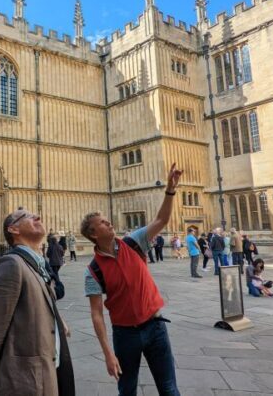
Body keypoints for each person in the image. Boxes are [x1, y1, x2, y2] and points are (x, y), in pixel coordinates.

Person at [82, 163, 182, 396]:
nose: (109, 223)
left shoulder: (133, 242)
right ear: (94, 234)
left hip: (156, 326)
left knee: (169, 389)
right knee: (127, 390)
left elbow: (161, 220)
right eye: (103, 223)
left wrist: (170, 190)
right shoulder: (93, 270)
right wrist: (107, 353)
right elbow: (96, 314)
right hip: (125, 335)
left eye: (108, 220)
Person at [0, 209, 75, 396]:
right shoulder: (11, 264)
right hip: (25, 382)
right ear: (13, 229)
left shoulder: (36, 264)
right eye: (28, 217)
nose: (38, 217)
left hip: (48, 373)